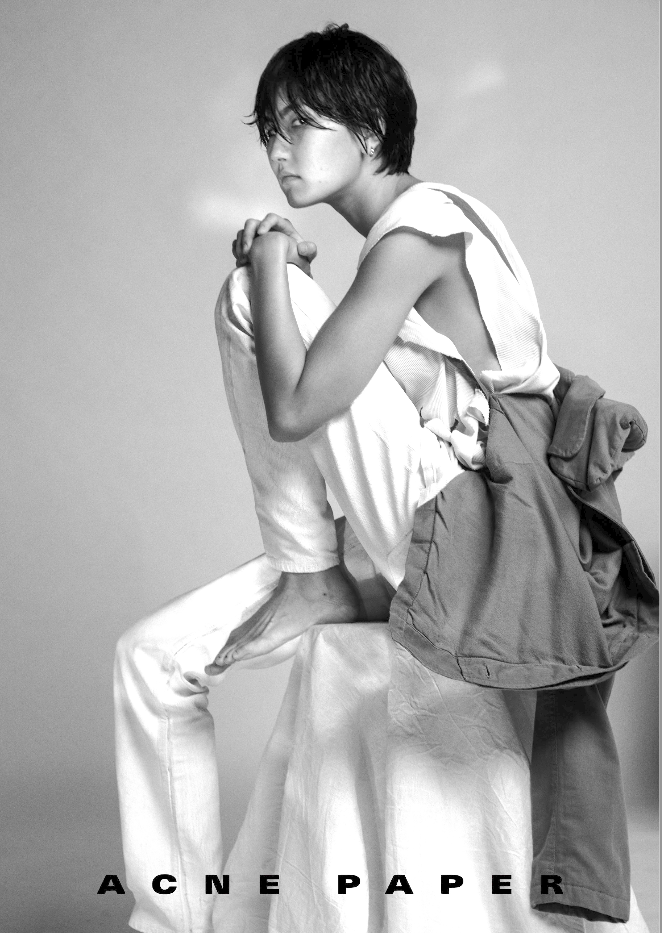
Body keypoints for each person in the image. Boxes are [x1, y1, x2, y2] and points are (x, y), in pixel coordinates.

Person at [114, 24, 651, 933]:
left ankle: (311, 573)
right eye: (271, 131)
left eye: (302, 124)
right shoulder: (408, 238)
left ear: (369, 133)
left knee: (250, 294)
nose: (279, 150)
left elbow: (297, 408)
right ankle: (173, 921)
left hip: (478, 529)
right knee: (151, 658)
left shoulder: (421, 231)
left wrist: (272, 264)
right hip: (418, 526)